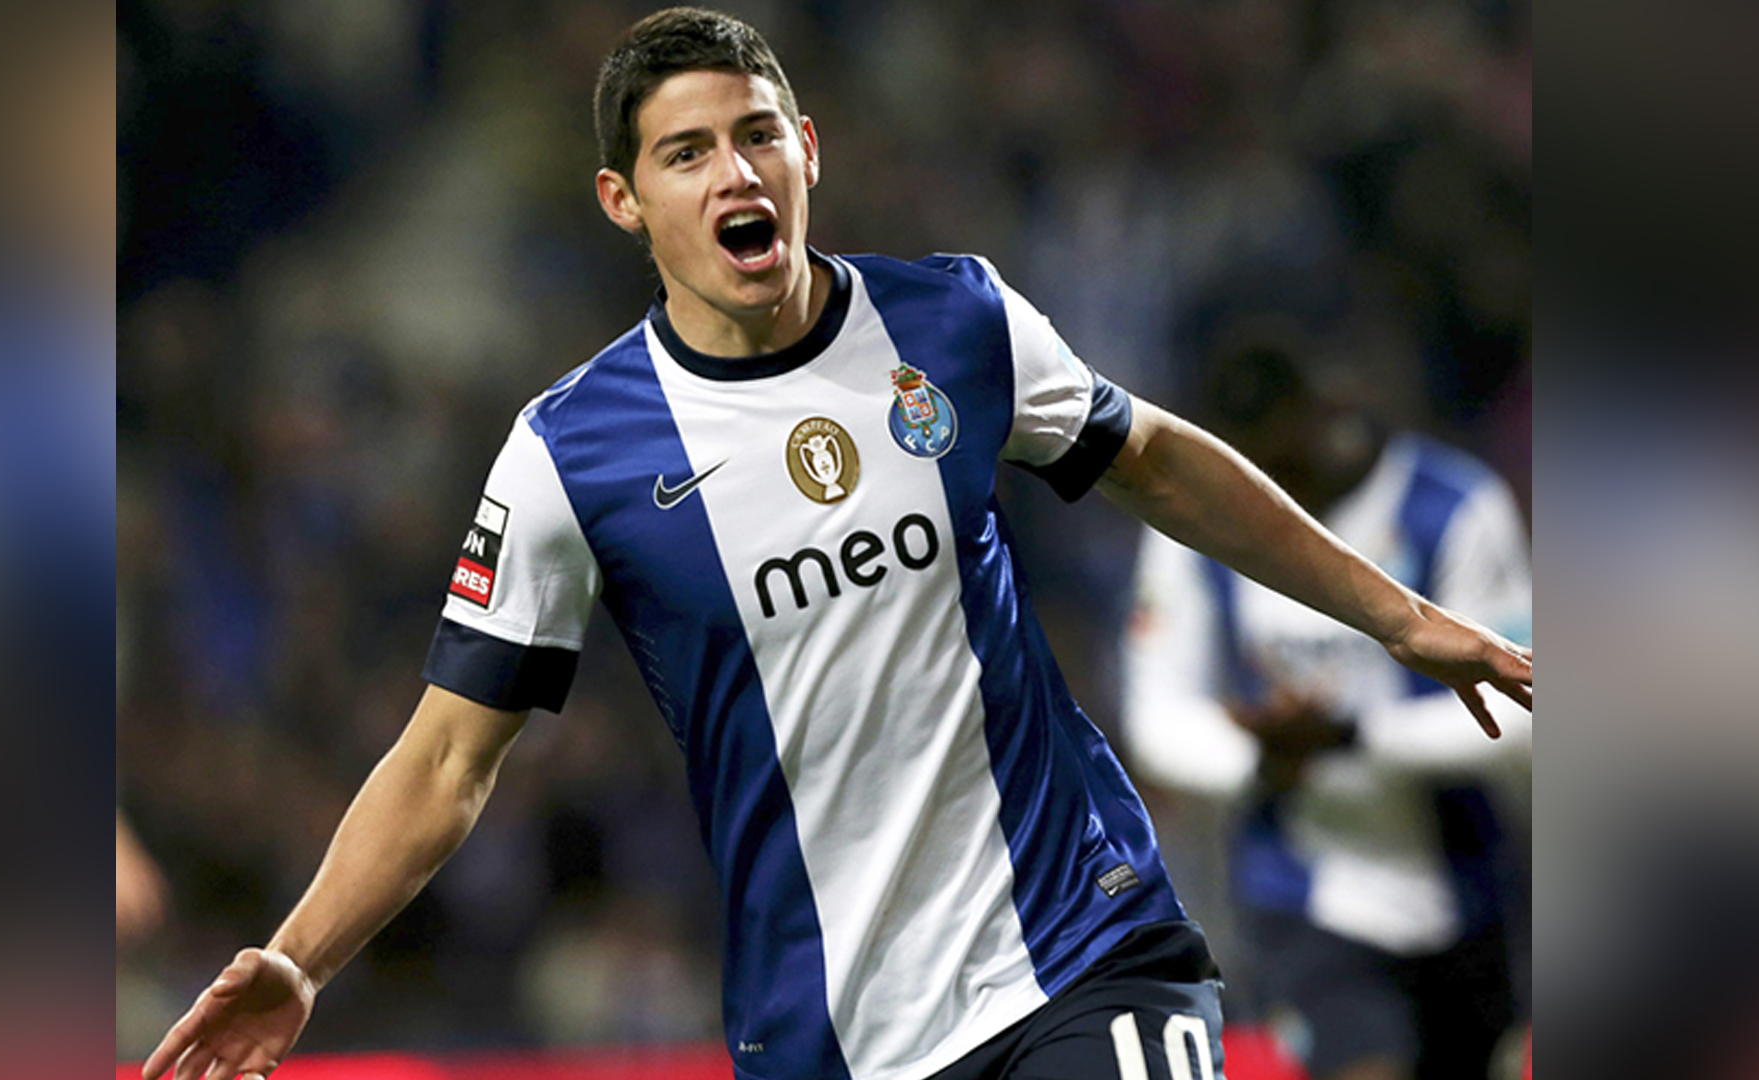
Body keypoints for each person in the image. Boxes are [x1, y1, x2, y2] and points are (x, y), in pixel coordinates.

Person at [142, 10, 1531, 1080]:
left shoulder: (955, 324)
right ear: (625, 202)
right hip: (832, 1028)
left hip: (1081, 945)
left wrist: (1398, 617)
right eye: (687, 151)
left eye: (757, 133)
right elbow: (448, 757)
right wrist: (302, 961)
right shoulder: (574, 453)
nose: (734, 170)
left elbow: (1155, 460)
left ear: (809, 151)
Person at [1120, 329, 1533, 1080]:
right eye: (1251, 465)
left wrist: (1354, 739)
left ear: (1328, 412)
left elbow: (1525, 715)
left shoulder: (1454, 508)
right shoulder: (1194, 532)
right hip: (1307, 891)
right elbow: (1156, 722)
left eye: (1282, 461)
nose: (1272, 490)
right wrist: (1257, 757)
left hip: (1469, 884)